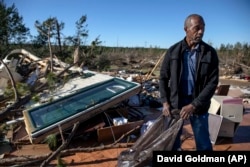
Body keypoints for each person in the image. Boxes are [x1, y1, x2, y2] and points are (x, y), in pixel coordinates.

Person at [159, 14, 219, 151]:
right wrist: (165, 102)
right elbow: (163, 77)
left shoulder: (210, 53)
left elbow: (212, 83)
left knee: (203, 142)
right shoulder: (173, 51)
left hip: (198, 104)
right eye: (197, 28)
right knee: (172, 142)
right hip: (176, 103)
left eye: (203, 28)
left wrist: (194, 105)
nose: (201, 32)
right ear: (186, 29)